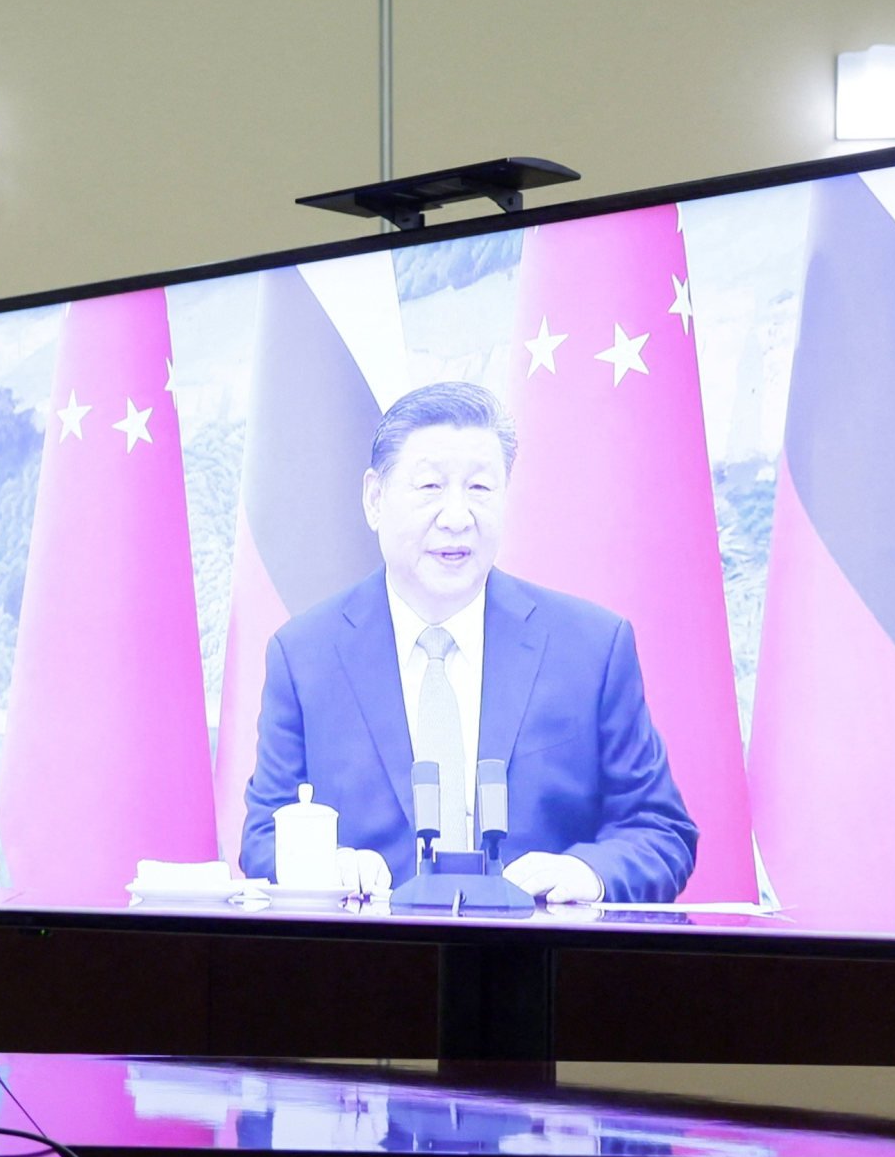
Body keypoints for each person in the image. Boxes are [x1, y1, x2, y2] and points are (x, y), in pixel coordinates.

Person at [236, 381, 697, 906]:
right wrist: (323, 865)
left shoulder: (590, 648)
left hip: (538, 969)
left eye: (479, 489)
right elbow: (262, 838)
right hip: (370, 969)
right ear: (374, 499)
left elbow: (661, 831)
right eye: (430, 487)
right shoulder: (305, 656)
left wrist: (585, 874)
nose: (457, 517)